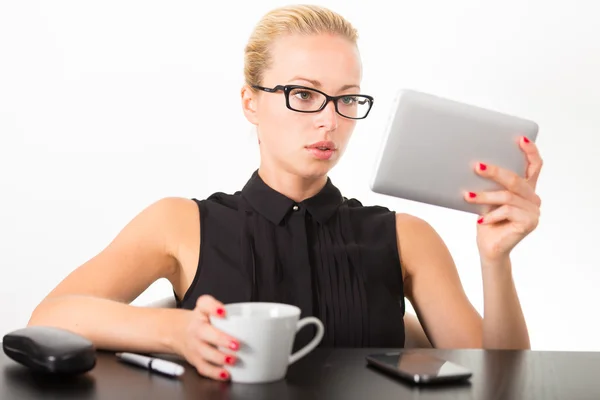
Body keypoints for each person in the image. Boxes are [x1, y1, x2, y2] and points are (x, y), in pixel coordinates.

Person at [27, 4, 543, 382]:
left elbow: (501, 378)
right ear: (251, 102)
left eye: (346, 100)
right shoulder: (179, 223)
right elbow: (51, 316)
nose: (329, 120)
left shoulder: (406, 236)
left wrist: (496, 259)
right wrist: (175, 332)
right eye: (302, 94)